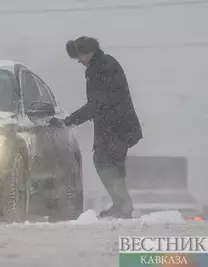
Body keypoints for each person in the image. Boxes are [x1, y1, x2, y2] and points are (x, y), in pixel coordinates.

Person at [52, 36, 143, 219]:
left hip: (116, 126)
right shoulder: (104, 64)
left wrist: (70, 120)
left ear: (88, 52)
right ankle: (122, 206)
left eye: (79, 56)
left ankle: (123, 205)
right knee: (113, 164)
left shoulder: (100, 68)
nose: (79, 61)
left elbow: (97, 104)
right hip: (118, 126)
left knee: (103, 161)